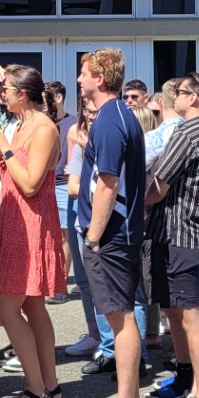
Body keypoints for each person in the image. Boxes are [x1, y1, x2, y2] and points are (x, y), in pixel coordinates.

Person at [75, 48, 150, 398]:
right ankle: (131, 397)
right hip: (122, 234)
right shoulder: (120, 117)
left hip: (113, 237)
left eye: (84, 74)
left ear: (100, 78)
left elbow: (107, 183)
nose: (79, 80)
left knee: (120, 319)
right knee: (121, 316)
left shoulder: (108, 121)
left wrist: (92, 236)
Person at [144, 72, 199, 398]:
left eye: (179, 92)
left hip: (181, 234)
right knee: (176, 312)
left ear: (193, 98)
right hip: (192, 234)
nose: (173, 97)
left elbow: (159, 184)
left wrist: (138, 204)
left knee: (191, 316)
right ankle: (186, 379)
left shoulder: (187, 132)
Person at [0, 66, 67, 398]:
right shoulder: (18, 124)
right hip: (14, 220)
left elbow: (31, 183)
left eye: (6, 89)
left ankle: (35, 388)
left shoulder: (44, 128)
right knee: (32, 306)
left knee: (5, 307)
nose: (2, 94)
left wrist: (3, 148)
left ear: (24, 93)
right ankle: (48, 386)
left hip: (32, 224)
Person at [62, 101, 107, 360]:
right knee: (84, 281)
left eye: (94, 112)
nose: (90, 116)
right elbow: (72, 187)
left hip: (102, 224)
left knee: (102, 284)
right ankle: (94, 336)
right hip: (82, 219)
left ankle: (109, 342)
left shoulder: (108, 143)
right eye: (86, 112)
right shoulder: (81, 146)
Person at [46, 81, 73, 304]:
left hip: (63, 185)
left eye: (47, 98)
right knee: (46, 235)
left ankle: (60, 284)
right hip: (41, 185)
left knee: (64, 235)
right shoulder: (40, 124)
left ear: (58, 98)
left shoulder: (72, 123)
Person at [144, 79, 185, 164]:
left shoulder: (152, 138)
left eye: (155, 112)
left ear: (160, 101)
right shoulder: (196, 132)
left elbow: (134, 171)